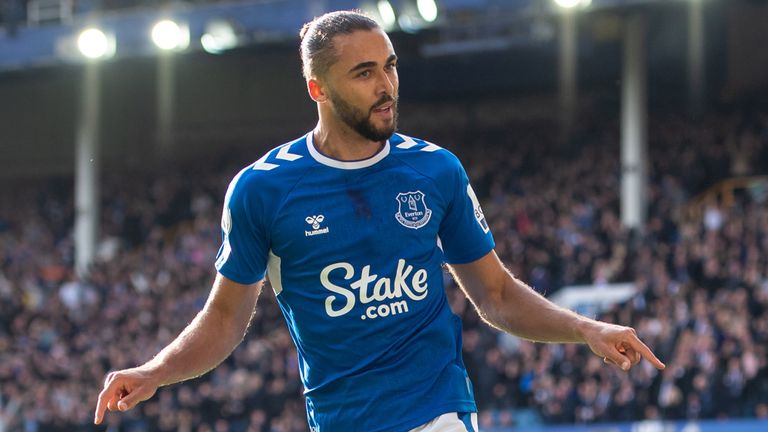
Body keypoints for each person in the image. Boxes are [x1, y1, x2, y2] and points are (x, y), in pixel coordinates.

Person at [94, 10, 665, 432]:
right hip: (341, 419)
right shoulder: (262, 190)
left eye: (389, 67)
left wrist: (586, 328)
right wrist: (156, 371)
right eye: (364, 73)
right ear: (317, 88)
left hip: (437, 409)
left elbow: (496, 295)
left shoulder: (435, 170)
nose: (387, 86)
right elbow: (223, 322)